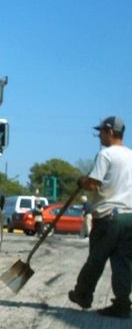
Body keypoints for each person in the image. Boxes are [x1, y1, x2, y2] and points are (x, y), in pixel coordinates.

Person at [68, 116, 132, 318]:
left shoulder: (106, 154)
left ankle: (83, 295)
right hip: (129, 217)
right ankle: (122, 304)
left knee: (96, 259)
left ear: (110, 132)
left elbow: (94, 184)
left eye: (101, 132)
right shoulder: (131, 155)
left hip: (109, 217)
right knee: (123, 262)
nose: (99, 136)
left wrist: (82, 180)